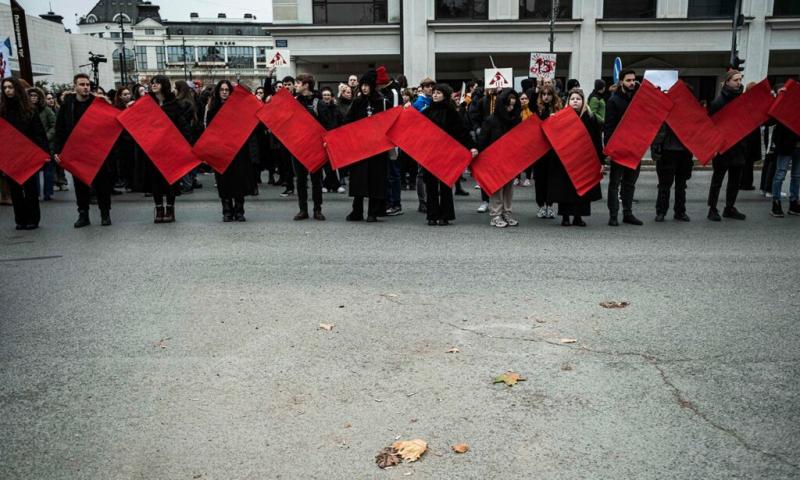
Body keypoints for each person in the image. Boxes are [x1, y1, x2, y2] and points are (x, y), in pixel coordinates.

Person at [54, 73, 114, 227]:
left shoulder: (98, 103)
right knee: (80, 185)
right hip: (77, 151)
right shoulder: (68, 105)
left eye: (87, 84)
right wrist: (57, 151)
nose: (85, 87)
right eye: (82, 84)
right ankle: (83, 214)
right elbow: (59, 129)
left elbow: (110, 125)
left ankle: (105, 213)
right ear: (75, 86)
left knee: (102, 184)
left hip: (97, 150)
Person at [423, 83, 478, 226]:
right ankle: (432, 214)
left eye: (438, 93)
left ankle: (445, 215)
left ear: (445, 95)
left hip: (446, 153)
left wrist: (471, 146)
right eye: (434, 92)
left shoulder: (451, 111)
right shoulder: (426, 111)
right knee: (431, 185)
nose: (435, 95)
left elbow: (462, 131)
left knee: (445, 184)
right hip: (430, 153)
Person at [547, 88, 603, 226]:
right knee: (565, 190)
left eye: (578, 99)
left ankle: (578, 216)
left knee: (583, 189)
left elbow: (596, 140)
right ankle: (565, 217)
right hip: (566, 160)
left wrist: (601, 161)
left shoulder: (590, 118)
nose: (575, 101)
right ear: (568, 101)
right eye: (572, 99)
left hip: (584, 160)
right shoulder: (561, 117)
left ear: (583, 101)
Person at [205, 80, 258, 222]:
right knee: (223, 182)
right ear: (217, 92)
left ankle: (239, 210)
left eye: (227, 90)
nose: (224, 92)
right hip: (220, 151)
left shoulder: (239, 109)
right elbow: (209, 132)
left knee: (239, 180)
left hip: (238, 150)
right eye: (221, 89)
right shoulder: (212, 110)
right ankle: (227, 211)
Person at [1, 77, 48, 229]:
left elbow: (39, 133)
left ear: (17, 89)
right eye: (5, 87)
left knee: (30, 188)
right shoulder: (2, 110)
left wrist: (43, 153)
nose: (8, 90)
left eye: (10, 87)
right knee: (14, 189)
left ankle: (33, 219)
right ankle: (20, 219)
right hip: (10, 155)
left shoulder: (29, 110)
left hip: (28, 154)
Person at [146, 75, 193, 223]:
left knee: (170, 180)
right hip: (153, 149)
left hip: (170, 149)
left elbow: (182, 126)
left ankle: (170, 209)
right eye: (152, 83)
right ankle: (159, 209)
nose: (153, 85)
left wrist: (187, 146)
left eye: (157, 83)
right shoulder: (147, 104)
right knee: (155, 180)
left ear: (164, 85)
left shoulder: (174, 104)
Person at [344, 70, 389, 222]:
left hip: (377, 148)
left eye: (367, 85)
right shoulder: (357, 102)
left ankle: (373, 212)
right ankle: (357, 211)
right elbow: (348, 122)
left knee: (375, 180)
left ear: (372, 86)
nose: (364, 88)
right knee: (358, 180)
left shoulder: (382, 102)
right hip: (360, 147)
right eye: (362, 85)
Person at [707, 69, 747, 221]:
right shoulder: (718, 102)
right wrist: (714, 147)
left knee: (735, 181)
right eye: (736, 80)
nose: (739, 82)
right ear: (728, 81)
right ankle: (712, 208)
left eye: (740, 79)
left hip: (739, 147)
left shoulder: (743, 100)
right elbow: (711, 125)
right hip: (723, 148)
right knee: (717, 180)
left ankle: (729, 207)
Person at [605, 69, 643, 226]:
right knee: (615, 183)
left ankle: (628, 213)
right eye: (628, 80)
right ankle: (613, 215)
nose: (632, 83)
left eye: (633, 80)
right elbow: (609, 127)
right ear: (621, 82)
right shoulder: (613, 101)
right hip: (619, 148)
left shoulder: (638, 99)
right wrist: (609, 149)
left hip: (635, 147)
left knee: (630, 183)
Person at [479, 88, 521, 228]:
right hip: (495, 159)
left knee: (509, 187)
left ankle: (506, 213)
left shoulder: (516, 119)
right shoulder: (490, 120)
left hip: (511, 158)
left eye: (513, 105)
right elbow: (483, 141)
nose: (510, 108)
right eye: (508, 105)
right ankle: (496, 215)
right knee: (497, 187)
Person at [291, 73, 326, 221]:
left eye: (298, 83)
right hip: (297, 147)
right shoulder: (293, 102)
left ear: (306, 85)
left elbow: (327, 126)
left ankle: (317, 209)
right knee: (300, 180)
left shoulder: (319, 103)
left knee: (316, 180)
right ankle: (302, 210)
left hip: (314, 148)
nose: (295, 85)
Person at [651, 124, 693, 222]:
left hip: (682, 150)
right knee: (665, 184)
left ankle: (677, 211)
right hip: (668, 150)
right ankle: (664, 211)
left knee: (680, 185)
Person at [769, 87, 800, 217]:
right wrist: (779, 98)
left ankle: (794, 203)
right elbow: (771, 119)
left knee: (797, 176)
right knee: (780, 174)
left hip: (798, 145)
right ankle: (776, 202)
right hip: (786, 144)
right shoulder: (786, 99)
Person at [534, 85, 561, 219]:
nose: (546, 96)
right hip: (539, 150)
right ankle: (541, 205)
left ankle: (549, 205)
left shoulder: (558, 109)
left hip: (553, 149)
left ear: (553, 95)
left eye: (549, 94)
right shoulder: (537, 110)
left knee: (551, 179)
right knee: (540, 179)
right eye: (543, 94)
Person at [28, 87, 56, 201]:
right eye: (31, 96)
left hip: (46, 145)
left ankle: (48, 193)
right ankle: (35, 192)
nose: (33, 98)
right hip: (31, 145)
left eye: (35, 96)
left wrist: (47, 137)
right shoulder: (26, 110)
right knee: (33, 171)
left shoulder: (46, 110)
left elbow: (54, 125)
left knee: (48, 171)